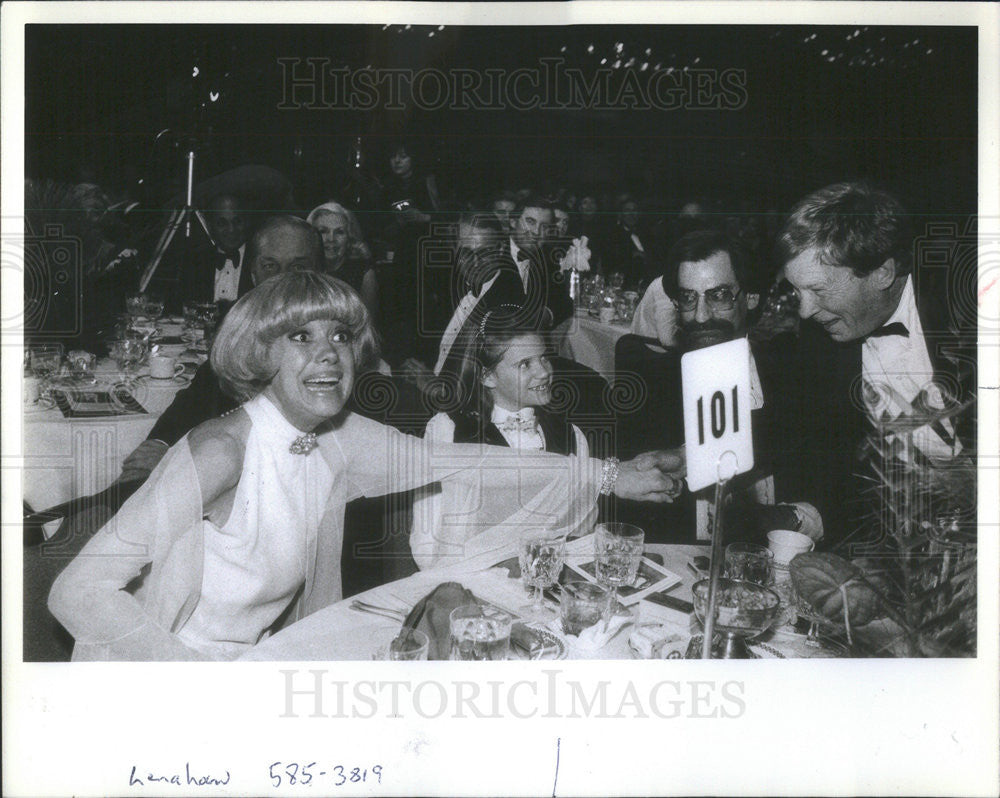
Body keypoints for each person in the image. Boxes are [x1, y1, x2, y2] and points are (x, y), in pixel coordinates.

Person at [48, 272, 684, 661]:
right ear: (260, 351)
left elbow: (466, 462)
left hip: (266, 662)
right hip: (176, 682)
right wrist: (199, 683)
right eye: (302, 338)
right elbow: (78, 591)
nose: (328, 356)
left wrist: (609, 474)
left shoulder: (336, 437)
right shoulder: (221, 450)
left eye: (341, 338)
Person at [776, 181, 976, 547]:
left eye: (819, 290)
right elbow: (829, 450)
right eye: (797, 291)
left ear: (883, 273)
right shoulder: (822, 337)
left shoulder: (971, 313)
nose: (804, 310)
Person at [412, 304, 683, 569]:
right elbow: (427, 547)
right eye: (525, 364)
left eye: (543, 357)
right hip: (470, 579)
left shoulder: (569, 434)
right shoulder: (449, 432)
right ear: (487, 377)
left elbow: (582, 530)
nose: (543, 371)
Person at [614, 229, 820, 543]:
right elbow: (655, 515)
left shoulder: (791, 370)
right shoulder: (650, 385)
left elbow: (816, 468)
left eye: (719, 295)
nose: (700, 316)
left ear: (750, 298)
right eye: (687, 298)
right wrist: (778, 518)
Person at [433, 212, 526, 374]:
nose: (475, 263)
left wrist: (432, 387)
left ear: (500, 250)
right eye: (467, 253)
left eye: (484, 253)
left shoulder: (508, 301)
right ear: (455, 250)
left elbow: (486, 378)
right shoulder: (446, 284)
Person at [508, 195, 574, 328]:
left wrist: (546, 314)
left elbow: (565, 302)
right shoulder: (490, 252)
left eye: (544, 226)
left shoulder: (548, 257)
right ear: (513, 222)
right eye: (530, 222)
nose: (536, 232)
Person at [306, 201, 378, 318]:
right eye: (323, 231)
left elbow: (368, 325)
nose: (331, 239)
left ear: (349, 238)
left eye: (339, 232)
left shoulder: (364, 274)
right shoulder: (302, 270)